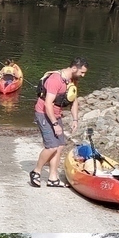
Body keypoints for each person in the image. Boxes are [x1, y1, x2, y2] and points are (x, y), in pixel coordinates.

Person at [30, 57, 88, 188]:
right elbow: (48, 104)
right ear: (74, 68)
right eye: (82, 72)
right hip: (44, 113)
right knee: (52, 147)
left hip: (56, 114)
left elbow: (73, 100)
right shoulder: (55, 80)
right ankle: (36, 172)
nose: (83, 75)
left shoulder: (73, 80)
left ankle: (53, 178)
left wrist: (75, 119)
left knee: (60, 146)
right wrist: (55, 125)